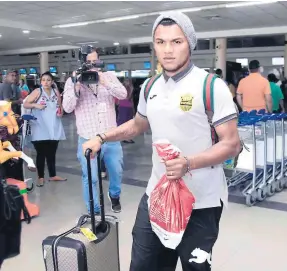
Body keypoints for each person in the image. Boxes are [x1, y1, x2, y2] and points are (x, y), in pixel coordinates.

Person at [82, 11, 241, 271]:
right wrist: (102, 136)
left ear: (190, 43)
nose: (167, 50)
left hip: (201, 201)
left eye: (176, 42)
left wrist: (188, 163)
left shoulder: (210, 86)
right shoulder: (150, 86)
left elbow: (231, 144)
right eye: (160, 42)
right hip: (157, 195)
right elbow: (138, 125)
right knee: (144, 265)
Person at [62, 48, 127, 213]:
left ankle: (114, 195)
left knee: (116, 171)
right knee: (90, 177)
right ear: (82, 64)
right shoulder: (73, 81)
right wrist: (76, 87)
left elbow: (123, 94)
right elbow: (67, 108)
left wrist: (104, 81)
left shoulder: (109, 76)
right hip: (88, 138)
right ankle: (94, 208)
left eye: (95, 62)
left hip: (110, 136)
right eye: (88, 63)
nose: (93, 66)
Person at [23, 72, 66, 187]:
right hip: (40, 126)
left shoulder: (55, 92)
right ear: (40, 82)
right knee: (41, 153)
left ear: (52, 82)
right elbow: (26, 104)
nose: (46, 82)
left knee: (52, 153)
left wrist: (61, 112)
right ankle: (40, 177)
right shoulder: (38, 92)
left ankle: (53, 175)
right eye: (43, 80)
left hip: (54, 126)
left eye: (48, 80)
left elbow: (60, 106)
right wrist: (36, 106)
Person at [117, 79, 135, 143]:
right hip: (123, 106)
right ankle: (121, 136)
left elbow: (131, 99)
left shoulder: (129, 89)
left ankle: (126, 137)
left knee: (128, 122)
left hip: (127, 106)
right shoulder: (122, 89)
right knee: (123, 121)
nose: (128, 83)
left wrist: (133, 109)